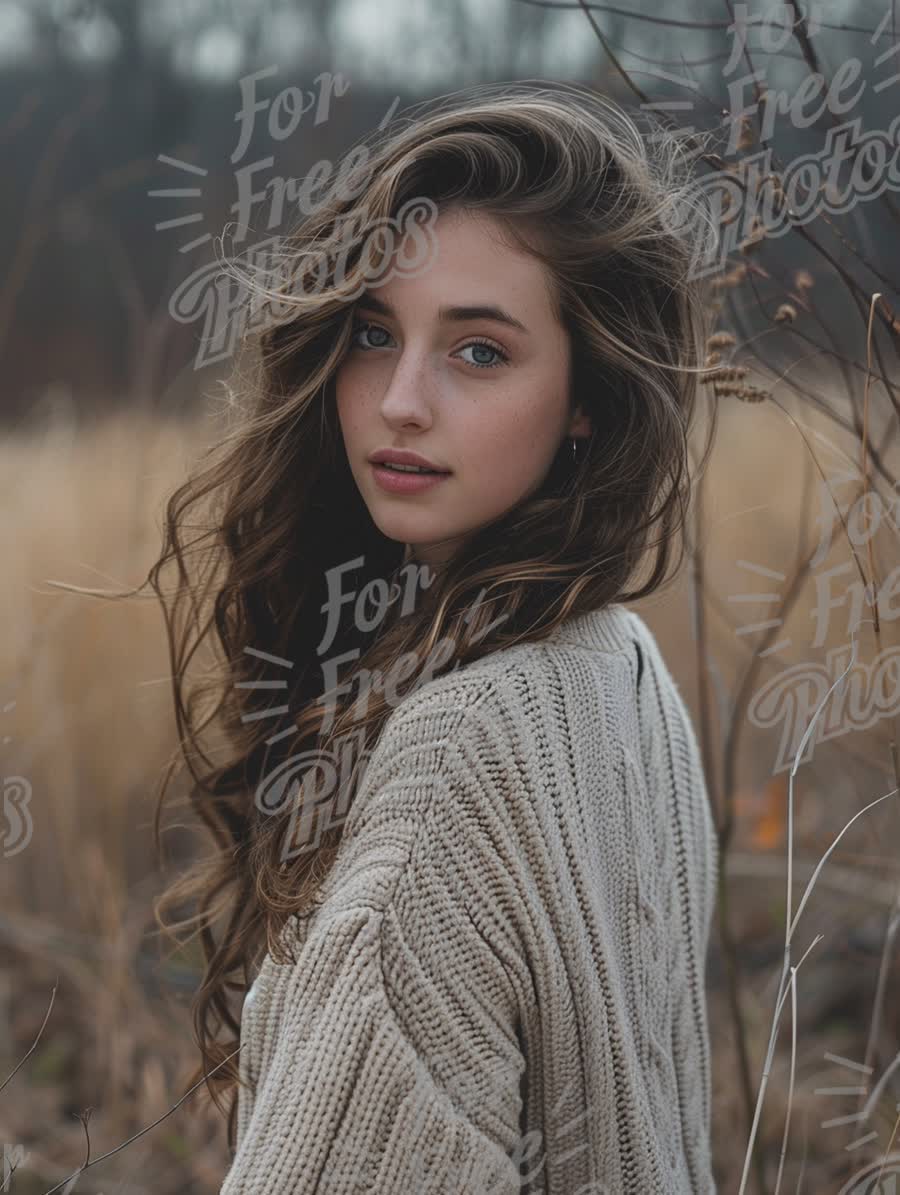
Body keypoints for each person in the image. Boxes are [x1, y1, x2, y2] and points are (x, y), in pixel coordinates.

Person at [148, 80, 722, 1192]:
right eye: (373, 333)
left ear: (589, 397)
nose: (401, 400)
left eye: (480, 352)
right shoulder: (624, 667)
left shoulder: (454, 753)